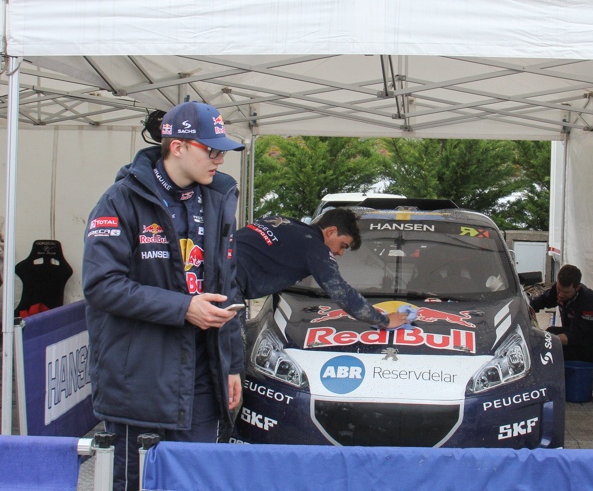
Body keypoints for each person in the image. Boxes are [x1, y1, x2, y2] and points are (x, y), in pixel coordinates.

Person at [83, 102, 245, 491]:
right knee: (135, 484)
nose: (220, 160)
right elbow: (101, 284)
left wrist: (232, 364)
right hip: (138, 381)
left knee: (193, 482)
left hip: (202, 378)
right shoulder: (120, 200)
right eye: (212, 150)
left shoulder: (218, 199)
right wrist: (184, 307)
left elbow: (228, 286)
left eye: (223, 151)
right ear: (178, 147)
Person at [233, 209, 408, 329]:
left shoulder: (281, 222)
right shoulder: (315, 248)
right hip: (229, 284)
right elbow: (341, 291)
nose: (340, 253)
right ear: (331, 231)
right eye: (342, 245)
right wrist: (383, 320)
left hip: (217, 267)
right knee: (232, 359)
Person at [530, 264, 593, 365]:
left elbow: (575, 336)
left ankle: (588, 368)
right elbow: (538, 302)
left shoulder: (587, 302)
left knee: (551, 349)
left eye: (566, 292)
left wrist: (544, 342)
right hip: (577, 337)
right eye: (559, 290)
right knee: (550, 333)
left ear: (577, 287)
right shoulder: (559, 290)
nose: (560, 295)